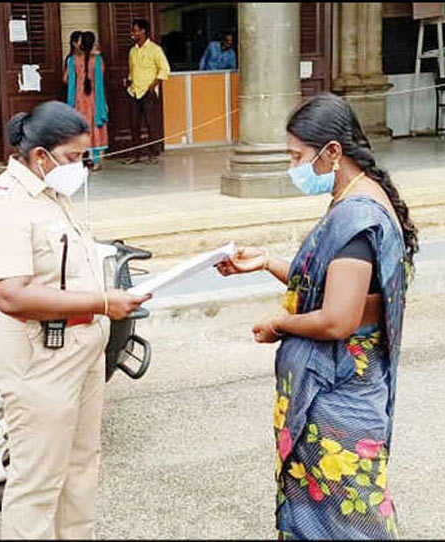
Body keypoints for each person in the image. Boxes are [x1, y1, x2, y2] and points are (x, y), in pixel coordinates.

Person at [217, 93, 419, 539]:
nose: (294, 168)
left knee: (348, 522)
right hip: (341, 388)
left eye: (297, 157)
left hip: (339, 396)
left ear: (332, 152)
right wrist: (268, 262)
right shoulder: (359, 197)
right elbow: (333, 286)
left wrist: (279, 324)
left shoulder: (356, 219)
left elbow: (338, 318)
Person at [0, 101, 150, 539]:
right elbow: (10, 294)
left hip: (80, 346)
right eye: (73, 157)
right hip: (38, 354)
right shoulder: (5, 204)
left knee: (81, 466)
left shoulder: (55, 195)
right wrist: (103, 302)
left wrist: (102, 308)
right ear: (39, 156)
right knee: (38, 480)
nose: (81, 167)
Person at [124, 18, 170, 165]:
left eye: (135, 30)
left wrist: (154, 84)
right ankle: (136, 155)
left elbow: (165, 69)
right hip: (134, 92)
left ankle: (153, 154)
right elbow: (132, 70)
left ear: (143, 31)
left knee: (151, 124)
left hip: (148, 92)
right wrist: (129, 81)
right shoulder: (132, 51)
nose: (133, 33)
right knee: (134, 124)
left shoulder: (155, 49)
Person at [62, 31, 109, 171]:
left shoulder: (72, 60)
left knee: (79, 129)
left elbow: (65, 79)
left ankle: (79, 161)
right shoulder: (98, 60)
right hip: (95, 100)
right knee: (94, 128)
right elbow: (101, 79)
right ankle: (95, 161)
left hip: (78, 100)